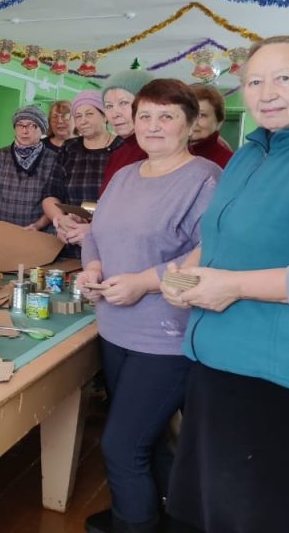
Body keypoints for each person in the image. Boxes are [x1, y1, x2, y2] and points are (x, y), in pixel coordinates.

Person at [161, 37, 289, 533]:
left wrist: (235, 286)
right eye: (254, 81)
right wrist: (183, 272)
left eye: (283, 78)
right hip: (222, 367)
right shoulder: (250, 153)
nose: (267, 93)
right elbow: (219, 234)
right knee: (215, 513)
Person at [76, 79, 222, 533]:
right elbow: (96, 231)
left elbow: (209, 257)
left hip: (167, 338)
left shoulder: (205, 179)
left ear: (190, 124)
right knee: (148, 439)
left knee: (121, 446)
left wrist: (144, 283)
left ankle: (133, 522)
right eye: (146, 116)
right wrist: (92, 267)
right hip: (114, 328)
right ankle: (163, 517)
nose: (153, 126)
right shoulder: (125, 175)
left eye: (167, 116)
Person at [44, 89, 122, 248]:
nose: (83, 121)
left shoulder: (123, 148)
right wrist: (60, 220)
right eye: (78, 116)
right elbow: (50, 195)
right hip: (70, 240)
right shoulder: (69, 148)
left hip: (111, 244)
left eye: (89, 114)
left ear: (105, 116)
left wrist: (94, 228)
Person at [0, 105, 67, 232]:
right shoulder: (1, 155)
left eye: (32, 126)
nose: (25, 131)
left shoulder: (54, 159)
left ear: (42, 130)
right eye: (20, 125)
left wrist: (38, 225)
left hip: (37, 233)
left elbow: (56, 200)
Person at [99, 69, 155, 194]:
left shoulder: (159, 152)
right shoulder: (117, 154)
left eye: (123, 103)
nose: (115, 114)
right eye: (109, 106)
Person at [187, 83, 233, 168]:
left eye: (201, 115)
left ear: (219, 122)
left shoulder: (229, 163)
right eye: (188, 114)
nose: (194, 122)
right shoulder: (164, 154)